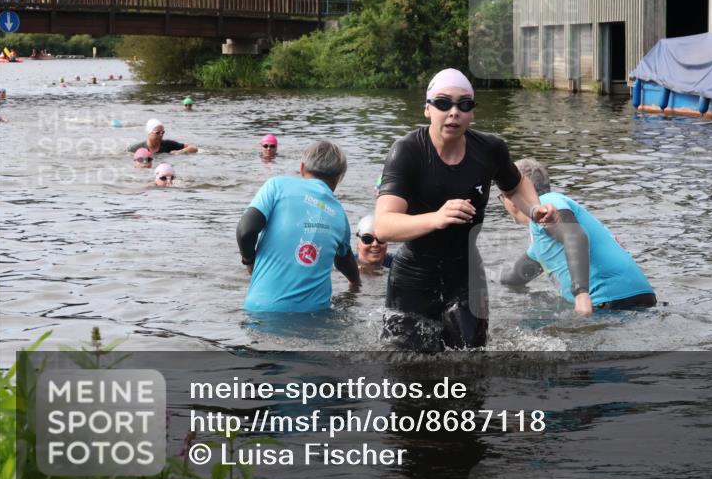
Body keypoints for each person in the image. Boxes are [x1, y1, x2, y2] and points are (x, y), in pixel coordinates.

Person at [374, 68, 558, 351]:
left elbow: (515, 184)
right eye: (443, 103)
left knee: (472, 361)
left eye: (464, 104)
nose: (454, 112)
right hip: (414, 276)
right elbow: (383, 225)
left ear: (472, 112)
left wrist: (534, 210)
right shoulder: (407, 151)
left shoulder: (489, 149)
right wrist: (436, 218)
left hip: (466, 274)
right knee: (408, 371)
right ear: (428, 109)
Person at [500, 158, 656, 314]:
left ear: (514, 196)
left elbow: (575, 236)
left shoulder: (547, 202)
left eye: (502, 196)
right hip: (638, 298)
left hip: (607, 301)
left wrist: (581, 295)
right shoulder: (543, 236)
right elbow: (515, 278)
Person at [236, 140, 360, 313]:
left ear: (302, 167)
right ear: (339, 177)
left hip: (260, 311)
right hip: (315, 316)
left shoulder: (276, 186)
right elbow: (345, 262)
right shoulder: (339, 214)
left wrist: (249, 260)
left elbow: (246, 230)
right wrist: (356, 285)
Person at [128, 119, 198, 154]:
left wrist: (180, 152)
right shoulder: (136, 149)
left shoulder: (168, 144)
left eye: (163, 132)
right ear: (149, 133)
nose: (161, 135)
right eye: (157, 133)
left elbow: (193, 147)